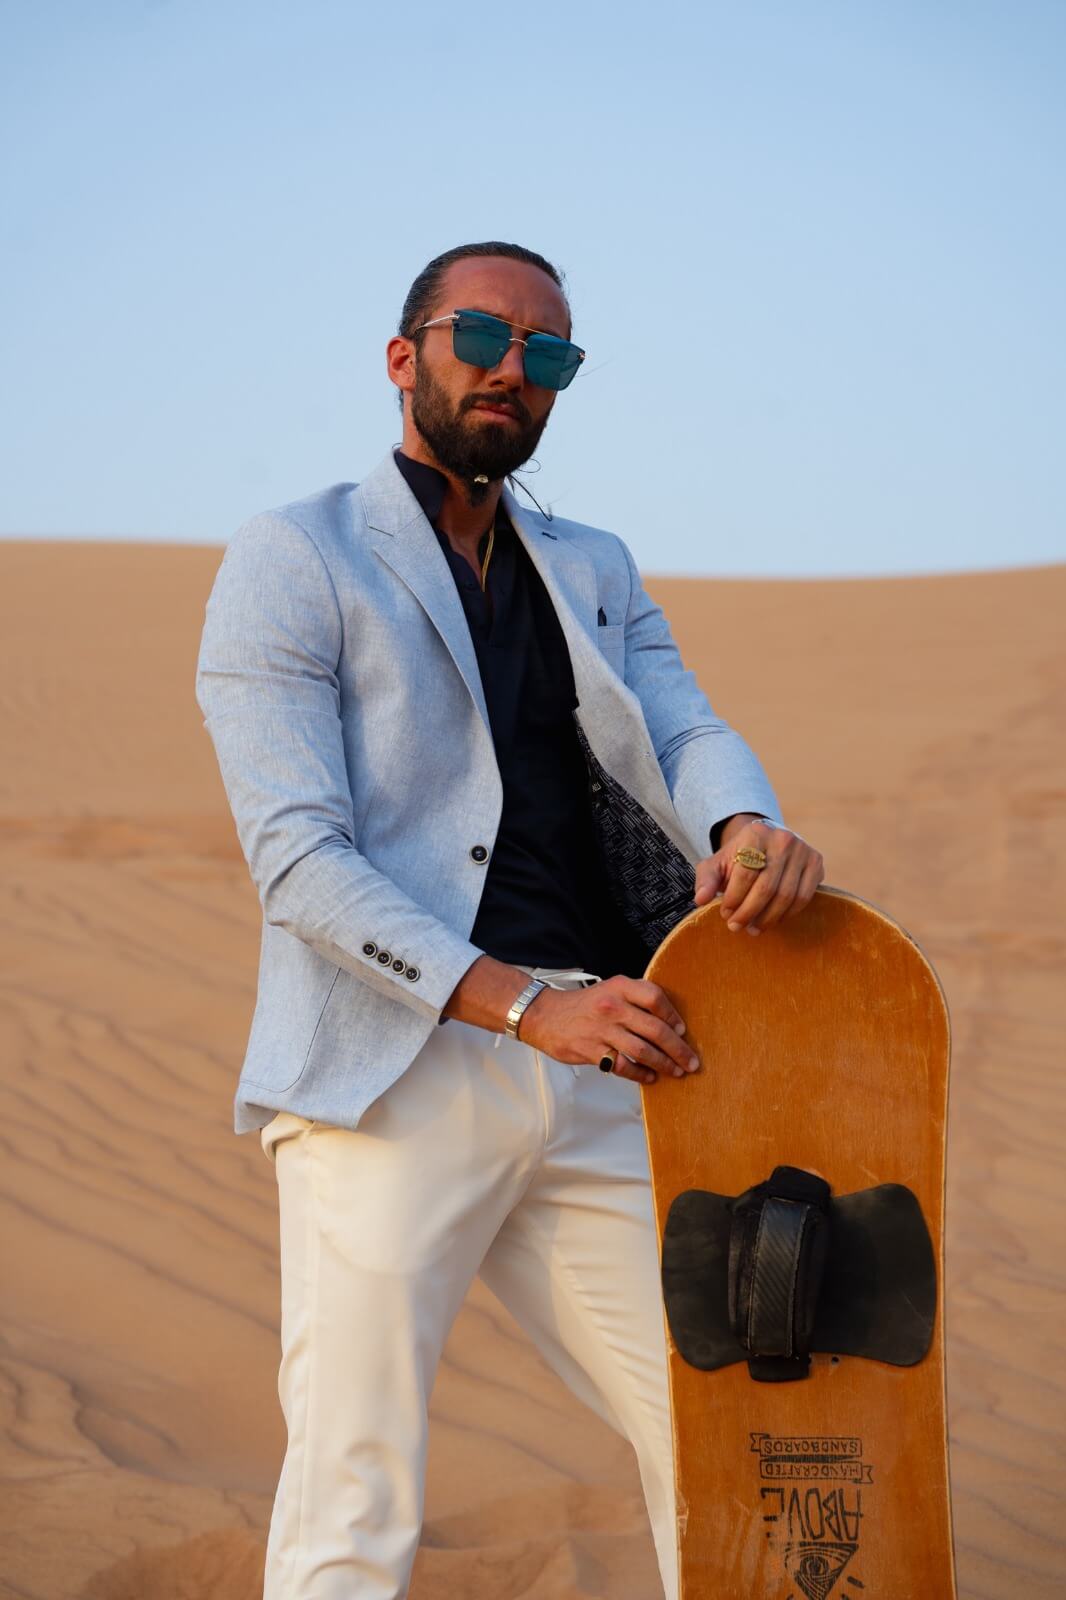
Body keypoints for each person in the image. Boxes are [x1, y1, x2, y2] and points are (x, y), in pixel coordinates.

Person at [195, 240, 824, 1600]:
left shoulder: (589, 562)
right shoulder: (294, 556)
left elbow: (682, 719)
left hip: (601, 1059)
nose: (510, 367)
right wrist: (524, 1005)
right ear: (402, 354)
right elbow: (297, 862)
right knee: (355, 1488)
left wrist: (741, 825)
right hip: (395, 1066)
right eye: (482, 334)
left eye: (548, 353)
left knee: (715, 1433)